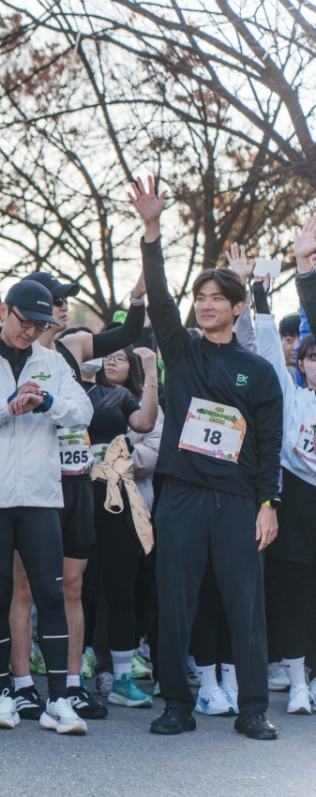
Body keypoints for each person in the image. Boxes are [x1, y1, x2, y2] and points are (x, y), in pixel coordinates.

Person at [128, 176, 282, 740]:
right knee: (175, 603)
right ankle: (175, 704)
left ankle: (253, 709)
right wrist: (151, 230)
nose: (207, 306)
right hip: (183, 495)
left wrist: (269, 502)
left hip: (239, 500)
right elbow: (162, 298)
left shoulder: (259, 371)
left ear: (238, 307)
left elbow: (267, 443)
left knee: (245, 607)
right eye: (203, 299)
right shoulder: (183, 350)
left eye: (219, 299)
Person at [0, 278, 94, 734]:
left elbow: (83, 412)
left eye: (39, 325)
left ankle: (59, 701)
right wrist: (5, 407)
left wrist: (46, 401)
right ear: (4, 309)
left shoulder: (52, 361)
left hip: (41, 499)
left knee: (51, 596)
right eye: (24, 322)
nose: (30, 332)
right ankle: (7, 692)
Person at [5, 270, 147, 721]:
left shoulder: (79, 344)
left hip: (78, 478)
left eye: (67, 301)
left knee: (73, 585)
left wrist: (138, 294)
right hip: (33, 479)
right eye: (57, 301)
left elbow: (128, 332)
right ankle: (22, 683)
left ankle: (72, 683)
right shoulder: (15, 355)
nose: (64, 308)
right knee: (24, 588)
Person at [251, 216, 316, 715]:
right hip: (295, 499)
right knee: (294, 594)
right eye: (311, 357)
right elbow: (271, 348)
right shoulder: (292, 397)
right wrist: (274, 288)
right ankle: (295, 681)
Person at [85, 343, 160, 707]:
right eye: (107, 356)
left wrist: (151, 373)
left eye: (120, 358)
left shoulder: (124, 399)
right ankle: (70, 677)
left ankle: (122, 678)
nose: (111, 362)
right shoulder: (74, 390)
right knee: (75, 591)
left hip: (120, 504)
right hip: (76, 500)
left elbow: (146, 424)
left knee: (121, 591)